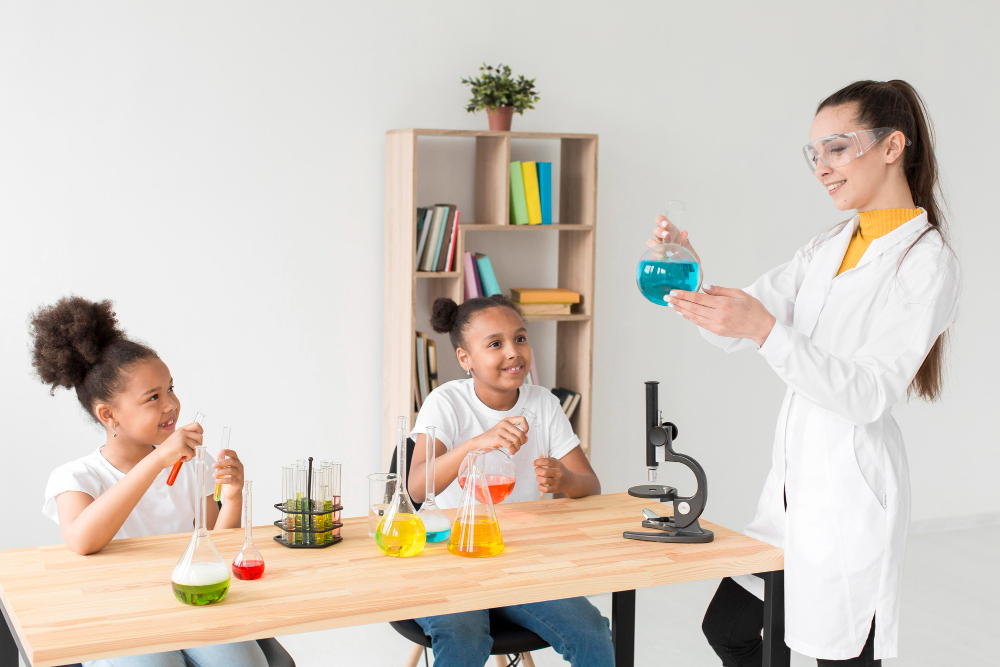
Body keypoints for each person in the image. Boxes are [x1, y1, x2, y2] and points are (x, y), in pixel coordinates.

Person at [653, 80, 961, 666]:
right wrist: (687, 278)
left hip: (851, 496)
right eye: (814, 153)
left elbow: (869, 394)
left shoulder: (926, 264)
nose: (822, 167)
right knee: (730, 627)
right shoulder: (827, 246)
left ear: (893, 145)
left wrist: (766, 330)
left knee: (838, 654)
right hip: (792, 500)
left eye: (838, 149)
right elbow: (737, 322)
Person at [31, 296, 268, 667]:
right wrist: (159, 459)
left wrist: (233, 497)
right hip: (118, 615)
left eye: (171, 388)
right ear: (109, 415)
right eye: (153, 397)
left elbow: (214, 549)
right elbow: (82, 539)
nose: (171, 404)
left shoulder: (193, 463)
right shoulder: (75, 478)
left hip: (190, 601)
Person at [406, 295, 613, 667]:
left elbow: (589, 485)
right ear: (465, 358)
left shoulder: (543, 404)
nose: (513, 352)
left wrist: (564, 478)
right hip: (452, 557)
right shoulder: (446, 402)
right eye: (495, 344)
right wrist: (474, 444)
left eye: (520, 338)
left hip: (521, 558)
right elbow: (417, 487)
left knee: (591, 630)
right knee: (464, 635)